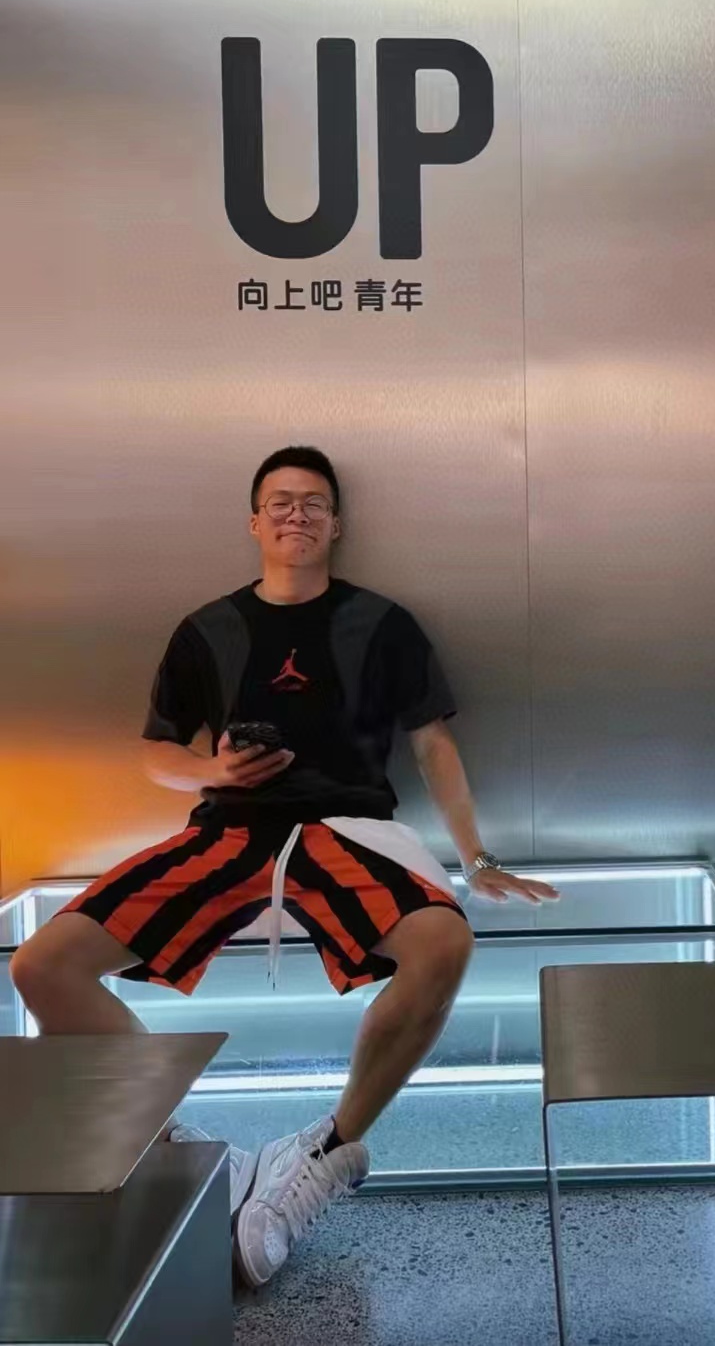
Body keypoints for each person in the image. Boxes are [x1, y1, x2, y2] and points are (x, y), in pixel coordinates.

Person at [10, 445, 558, 1288]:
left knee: (444, 943)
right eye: (280, 502)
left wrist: (475, 855)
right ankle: (196, 1153)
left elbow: (433, 742)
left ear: (336, 524)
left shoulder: (383, 622)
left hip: (344, 826)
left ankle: (324, 1152)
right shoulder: (208, 627)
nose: (296, 514)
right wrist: (215, 771)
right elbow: (158, 750)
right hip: (228, 828)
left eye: (312, 503)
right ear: (254, 521)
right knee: (42, 965)